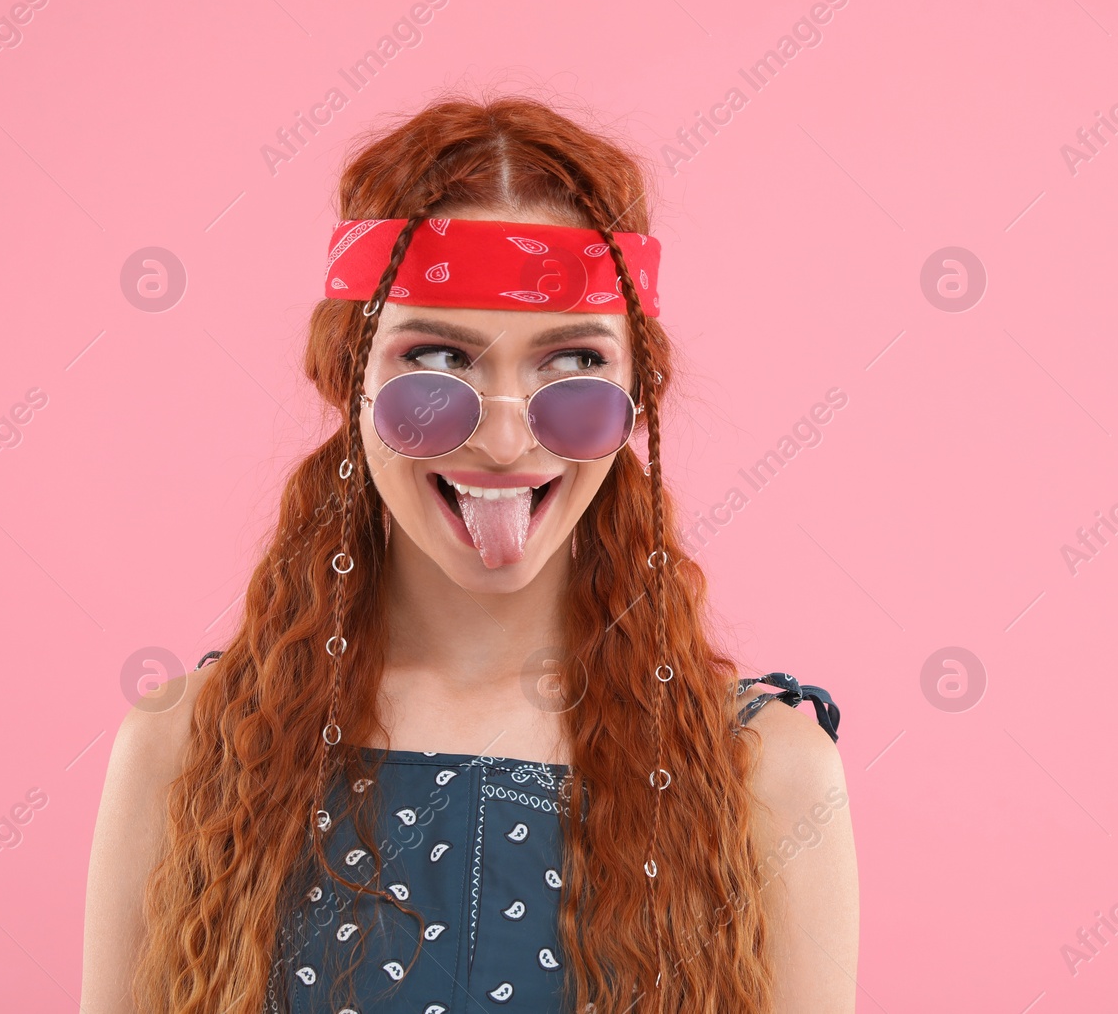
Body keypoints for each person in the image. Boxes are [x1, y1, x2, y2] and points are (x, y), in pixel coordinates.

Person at [82, 94, 859, 1014]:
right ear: (349, 379)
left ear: (636, 397)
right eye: (440, 360)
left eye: (571, 364)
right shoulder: (186, 749)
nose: (500, 440)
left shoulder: (768, 772)